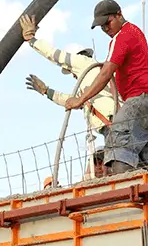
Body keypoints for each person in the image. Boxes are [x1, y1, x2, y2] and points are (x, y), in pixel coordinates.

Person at [62, 0, 148, 173]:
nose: (106, 29)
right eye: (102, 27)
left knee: (118, 147)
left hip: (139, 99)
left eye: (108, 23)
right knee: (143, 157)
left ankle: (122, 193)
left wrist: (80, 100)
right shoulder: (135, 32)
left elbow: (106, 73)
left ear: (119, 14)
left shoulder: (123, 36)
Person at [18, 15, 116, 177]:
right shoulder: (92, 82)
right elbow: (71, 100)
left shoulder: (82, 63)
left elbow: (56, 55)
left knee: (120, 163)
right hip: (111, 124)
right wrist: (47, 91)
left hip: (112, 123)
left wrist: (32, 40)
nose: (71, 75)